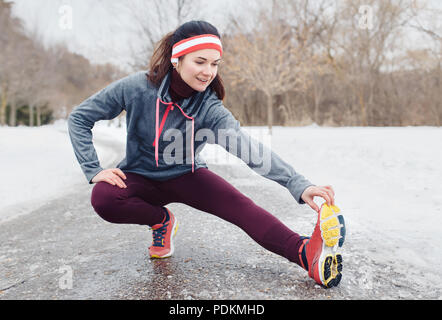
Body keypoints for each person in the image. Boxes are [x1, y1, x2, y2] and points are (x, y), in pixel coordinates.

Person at [68, 20, 346, 288]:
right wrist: (93, 169)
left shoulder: (208, 108)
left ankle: (305, 253)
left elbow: (248, 147)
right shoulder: (137, 88)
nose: (208, 71)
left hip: (186, 174)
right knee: (104, 197)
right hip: (139, 174)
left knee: (242, 208)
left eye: (214, 64)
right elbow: (80, 117)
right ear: (177, 59)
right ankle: (160, 220)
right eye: (199, 62)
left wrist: (299, 184)